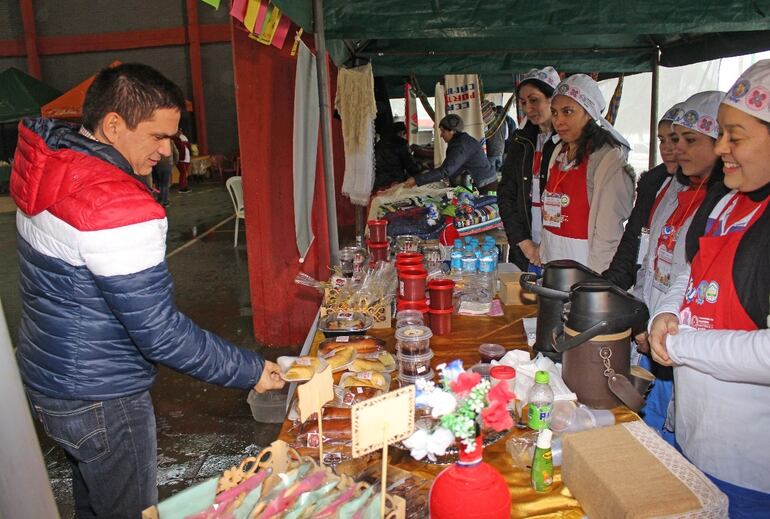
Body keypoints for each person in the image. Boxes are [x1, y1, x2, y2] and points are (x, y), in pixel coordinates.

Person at [10, 63, 284, 518]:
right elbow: (160, 333)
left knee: (93, 504)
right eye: (157, 136)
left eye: (172, 138)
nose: (167, 150)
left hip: (51, 379)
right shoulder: (116, 204)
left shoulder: (48, 170)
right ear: (113, 124)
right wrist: (251, 370)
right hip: (103, 396)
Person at [649, 60, 770, 518]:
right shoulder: (727, 201)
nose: (721, 149)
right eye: (719, 133)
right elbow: (694, 272)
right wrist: (667, 311)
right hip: (695, 435)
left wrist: (682, 344)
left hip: (751, 466)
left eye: (734, 137)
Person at [631, 92, 725, 446]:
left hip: (686, 341)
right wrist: (644, 317)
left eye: (689, 140)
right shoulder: (674, 189)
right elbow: (651, 255)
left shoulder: (720, 200)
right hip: (658, 328)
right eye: (671, 140)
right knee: (652, 428)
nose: (677, 148)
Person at [539, 74, 635, 272]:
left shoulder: (608, 159)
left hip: (585, 264)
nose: (559, 120)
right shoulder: (559, 151)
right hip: (554, 259)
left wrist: (597, 280)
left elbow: (609, 231)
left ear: (589, 113)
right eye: (555, 113)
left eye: (568, 112)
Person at [602, 102, 685, 290]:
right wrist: (608, 288)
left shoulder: (713, 194)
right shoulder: (653, 184)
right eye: (662, 140)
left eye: (675, 139)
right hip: (647, 288)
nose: (667, 148)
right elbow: (632, 241)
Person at [498, 67, 560, 271]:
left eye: (534, 100)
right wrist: (523, 243)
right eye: (523, 102)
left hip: (562, 248)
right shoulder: (521, 141)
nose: (528, 108)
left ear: (553, 99)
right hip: (527, 247)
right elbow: (506, 194)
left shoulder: (569, 143)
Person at [404, 114, 498, 193]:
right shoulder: (460, 141)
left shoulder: (461, 145)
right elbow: (452, 168)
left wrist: (417, 180)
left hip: (487, 186)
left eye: (443, 131)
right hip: (484, 182)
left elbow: (446, 171)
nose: (441, 135)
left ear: (453, 131)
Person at [373, 121, 422, 191]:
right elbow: (412, 168)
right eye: (404, 135)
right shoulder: (401, 143)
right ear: (402, 133)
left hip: (378, 182)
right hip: (395, 182)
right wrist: (421, 165)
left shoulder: (379, 143)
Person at [153, 136, 177, 207]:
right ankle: (165, 201)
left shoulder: (156, 142)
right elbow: (176, 153)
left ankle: (160, 199)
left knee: (160, 183)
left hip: (159, 164)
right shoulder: (171, 142)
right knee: (165, 184)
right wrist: (174, 163)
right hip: (168, 164)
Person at [483, 100, 506, 173]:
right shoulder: (503, 120)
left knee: (491, 175)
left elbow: (483, 136)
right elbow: (506, 136)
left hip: (491, 151)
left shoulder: (487, 121)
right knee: (499, 175)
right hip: (500, 150)